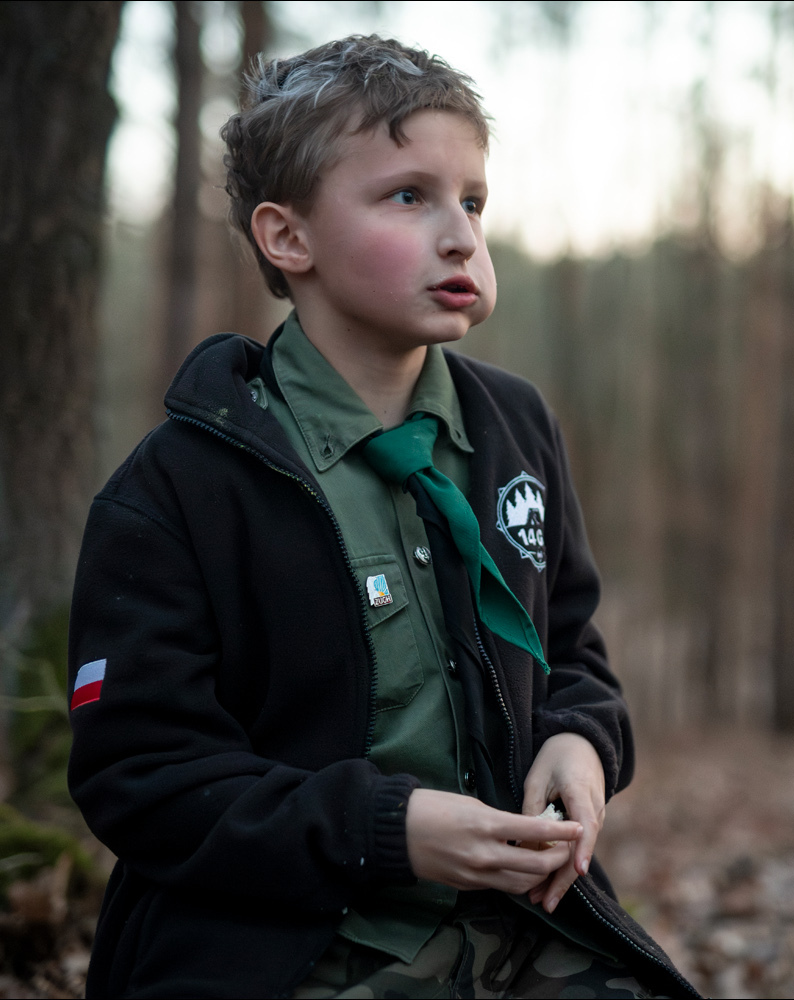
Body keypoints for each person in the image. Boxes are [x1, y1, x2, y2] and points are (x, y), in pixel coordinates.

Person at [66, 35, 697, 999]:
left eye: (472, 201)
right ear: (288, 238)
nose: (461, 237)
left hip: (526, 930)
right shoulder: (179, 488)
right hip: (288, 948)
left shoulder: (515, 428)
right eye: (409, 196)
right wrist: (385, 830)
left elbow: (571, 648)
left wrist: (581, 742)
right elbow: (139, 777)